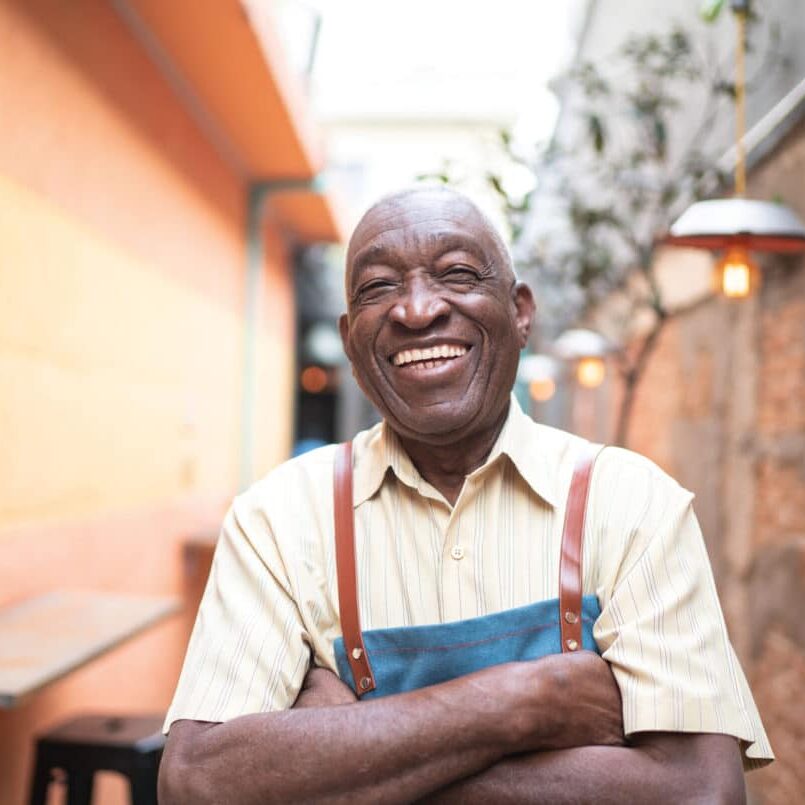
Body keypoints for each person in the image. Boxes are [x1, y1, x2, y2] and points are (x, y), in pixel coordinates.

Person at [159, 187, 772, 804]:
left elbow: (699, 792)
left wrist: (342, 755)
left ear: (521, 311)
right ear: (350, 339)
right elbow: (199, 784)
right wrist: (527, 703)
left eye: (457, 274)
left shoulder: (634, 505)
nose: (418, 310)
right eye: (378, 287)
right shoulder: (278, 520)